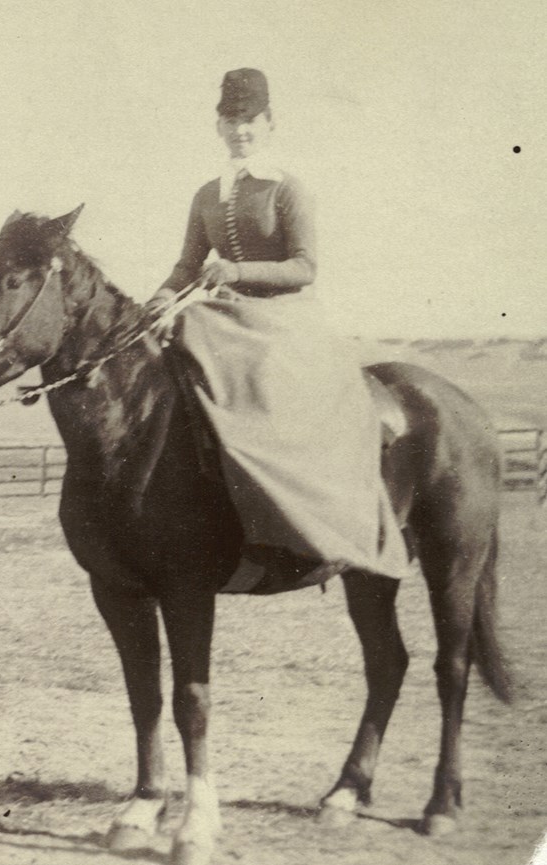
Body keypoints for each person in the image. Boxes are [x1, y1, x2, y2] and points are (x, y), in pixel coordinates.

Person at [147, 68, 409, 590]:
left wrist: (238, 272)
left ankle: (290, 522)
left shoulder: (289, 189)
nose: (239, 130)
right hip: (228, 318)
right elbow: (187, 265)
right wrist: (159, 298)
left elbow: (304, 266)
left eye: (249, 120)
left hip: (286, 319)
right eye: (230, 120)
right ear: (217, 126)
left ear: (269, 124)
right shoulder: (206, 194)